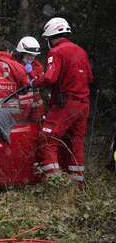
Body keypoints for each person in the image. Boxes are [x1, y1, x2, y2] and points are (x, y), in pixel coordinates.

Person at [32, 17, 93, 185]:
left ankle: (55, 182)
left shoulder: (56, 52)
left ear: (50, 37)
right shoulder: (81, 51)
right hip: (83, 104)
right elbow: (89, 77)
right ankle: (77, 184)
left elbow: (50, 78)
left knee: (47, 139)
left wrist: (35, 82)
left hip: (66, 104)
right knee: (76, 142)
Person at [13, 36, 45, 121]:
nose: (32, 58)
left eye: (34, 56)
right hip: (17, 104)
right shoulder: (13, 65)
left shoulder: (38, 66)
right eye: (29, 55)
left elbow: (40, 83)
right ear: (21, 53)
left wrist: (31, 74)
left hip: (35, 106)